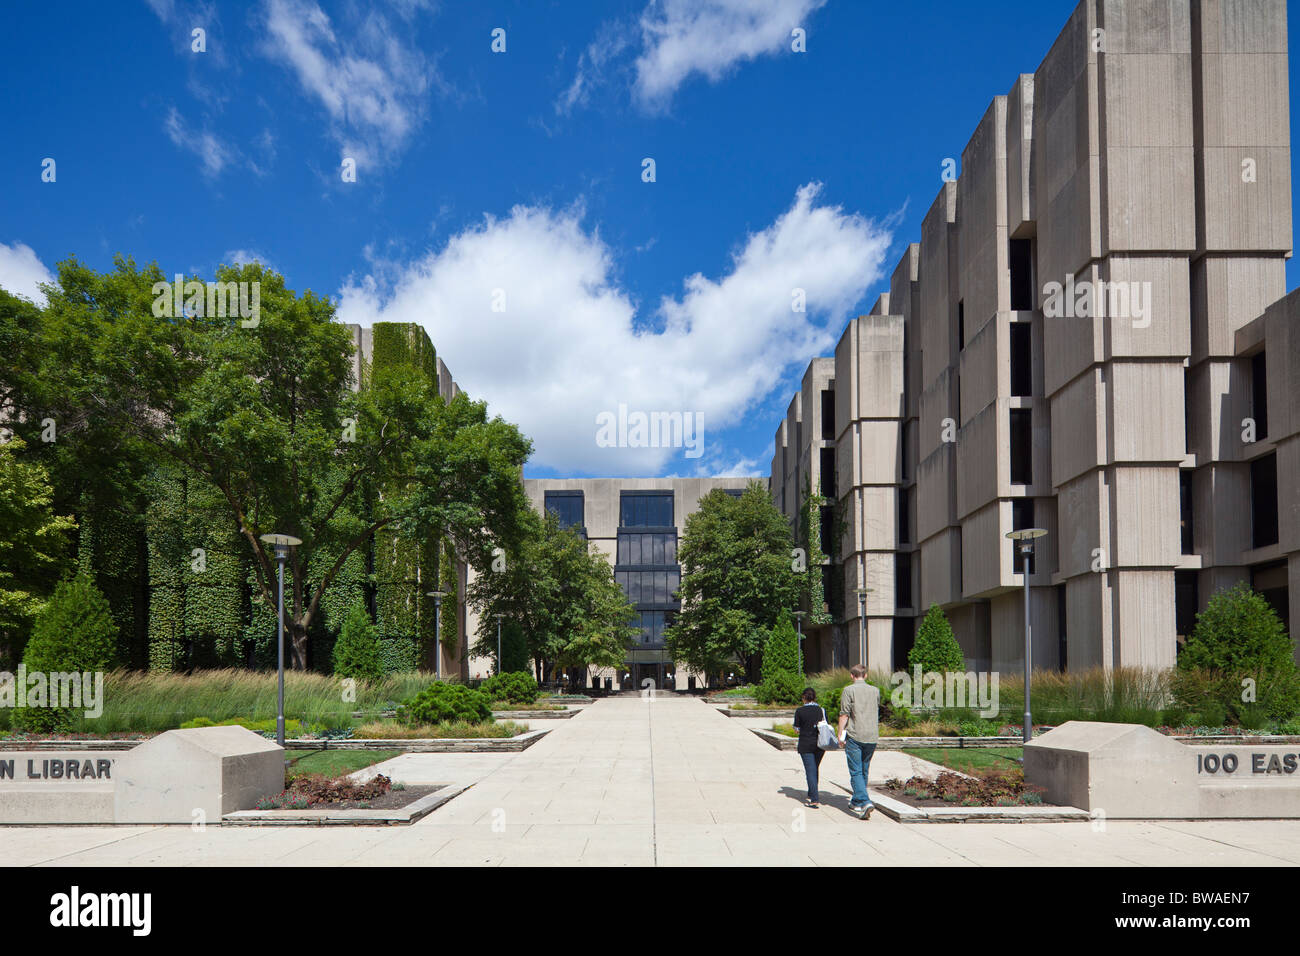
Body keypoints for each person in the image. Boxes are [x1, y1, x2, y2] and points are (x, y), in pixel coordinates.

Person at [837, 664, 879, 819]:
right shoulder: (875, 691)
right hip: (872, 735)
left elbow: (844, 714)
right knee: (864, 770)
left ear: (851, 676)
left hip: (855, 735)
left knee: (855, 771)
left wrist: (840, 732)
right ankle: (856, 800)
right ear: (866, 675)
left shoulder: (849, 690)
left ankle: (865, 801)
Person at [791, 687, 826, 808]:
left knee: (810, 770)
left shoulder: (800, 711)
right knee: (815, 768)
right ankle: (812, 792)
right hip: (820, 744)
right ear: (815, 697)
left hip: (806, 743)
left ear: (804, 698)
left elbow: (797, 729)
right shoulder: (821, 710)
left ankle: (814, 798)